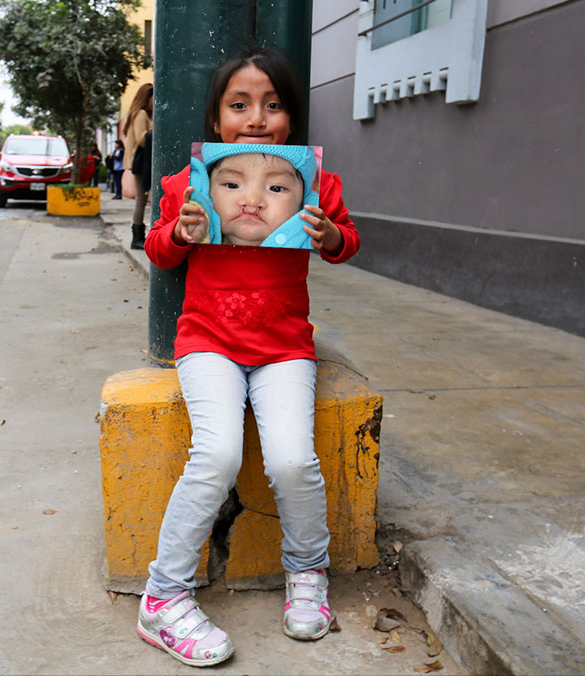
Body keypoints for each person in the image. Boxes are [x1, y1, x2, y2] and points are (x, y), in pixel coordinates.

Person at [139, 47, 360, 668]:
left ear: (292, 119)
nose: (257, 118)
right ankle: (163, 597)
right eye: (239, 105)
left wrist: (331, 235)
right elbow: (159, 253)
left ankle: (307, 574)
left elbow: (348, 244)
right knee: (217, 453)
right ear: (216, 120)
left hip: (285, 348)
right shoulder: (191, 182)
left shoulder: (314, 184)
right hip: (208, 341)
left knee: (294, 460)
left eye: (273, 104)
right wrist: (177, 234)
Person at [186, 143, 319, 247]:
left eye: (276, 188)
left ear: (302, 201)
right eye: (232, 185)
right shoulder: (194, 223)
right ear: (208, 189)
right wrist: (180, 236)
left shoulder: (310, 233)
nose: (252, 201)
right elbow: (166, 254)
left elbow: (337, 249)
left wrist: (332, 238)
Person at [124, 82, 153, 249]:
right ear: (146, 98)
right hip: (142, 162)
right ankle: (137, 238)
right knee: (141, 200)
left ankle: (139, 237)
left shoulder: (142, 113)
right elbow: (142, 139)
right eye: (152, 98)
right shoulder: (141, 113)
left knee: (142, 199)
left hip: (142, 162)